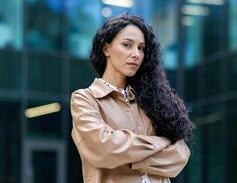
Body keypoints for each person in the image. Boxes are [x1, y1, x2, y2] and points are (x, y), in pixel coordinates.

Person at [70, 13, 194, 183]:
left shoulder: (151, 99)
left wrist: (128, 156)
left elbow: (180, 155)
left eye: (141, 48)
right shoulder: (85, 99)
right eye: (127, 45)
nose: (136, 54)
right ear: (107, 49)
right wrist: (160, 143)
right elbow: (105, 148)